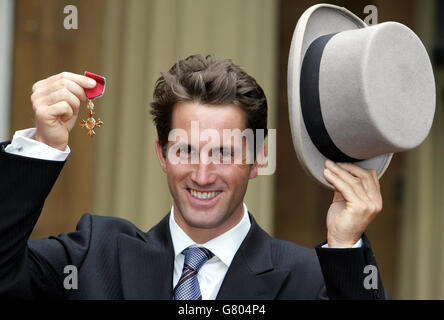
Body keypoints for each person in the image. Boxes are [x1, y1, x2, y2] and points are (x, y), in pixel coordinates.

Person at [0, 55, 387, 299]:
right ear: (162, 155)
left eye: (223, 152)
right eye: (186, 150)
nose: (203, 175)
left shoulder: (313, 279)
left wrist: (344, 246)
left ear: (258, 158)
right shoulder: (92, 256)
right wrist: (43, 147)